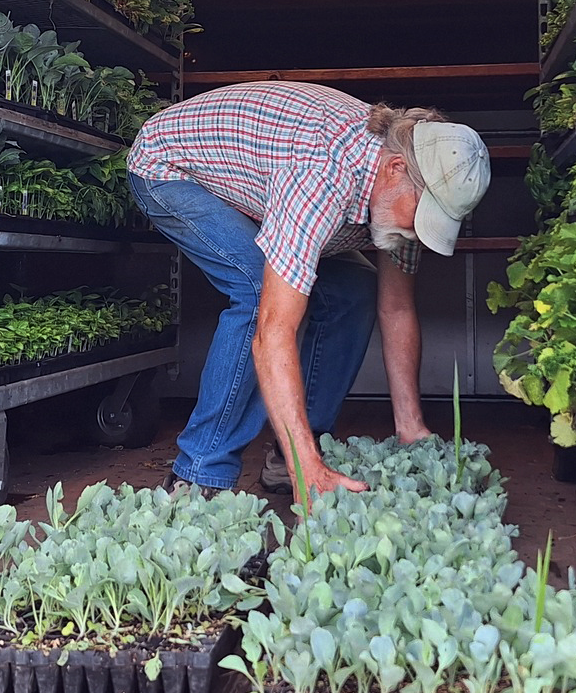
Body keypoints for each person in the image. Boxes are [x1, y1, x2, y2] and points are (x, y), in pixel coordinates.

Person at [125, 81, 491, 500]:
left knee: (355, 289)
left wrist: (410, 426)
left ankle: (290, 454)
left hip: (260, 180)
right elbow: (273, 330)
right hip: (171, 169)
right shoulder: (320, 176)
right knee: (253, 286)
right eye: (422, 216)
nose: (418, 231)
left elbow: (396, 309)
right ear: (394, 170)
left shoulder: (399, 191)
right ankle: (200, 472)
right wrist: (308, 468)